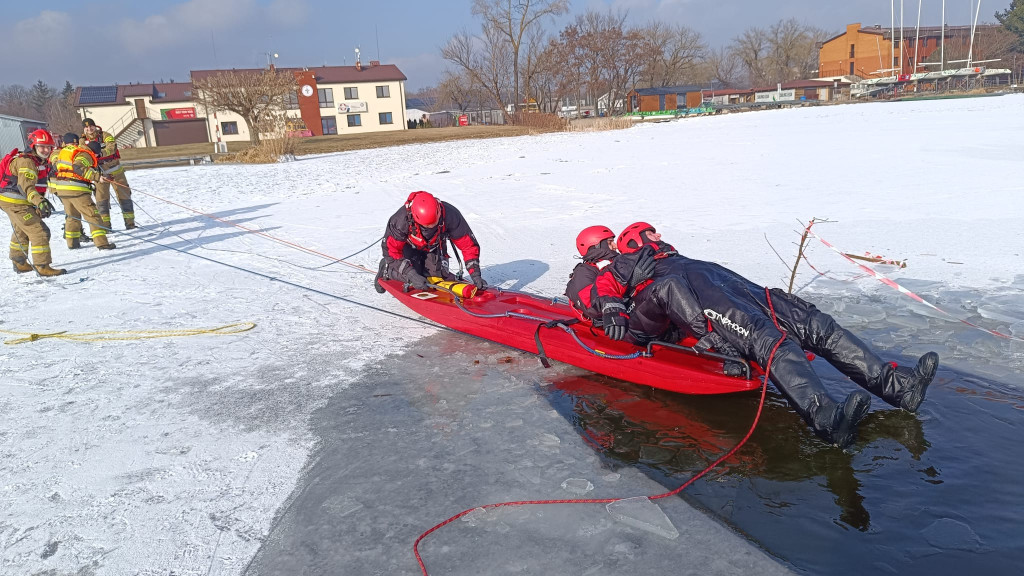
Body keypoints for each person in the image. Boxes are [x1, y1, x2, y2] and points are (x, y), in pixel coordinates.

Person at [592, 222, 939, 449]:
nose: (659, 234)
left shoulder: (678, 256)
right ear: (635, 241)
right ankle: (826, 418)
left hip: (743, 290)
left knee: (818, 326)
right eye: (651, 232)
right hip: (715, 304)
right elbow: (605, 285)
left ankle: (896, 387)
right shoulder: (636, 260)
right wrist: (611, 309)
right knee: (771, 343)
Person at [374, 191, 484, 293]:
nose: (431, 227)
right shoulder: (400, 220)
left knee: (439, 278)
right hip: (408, 247)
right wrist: (411, 274)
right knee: (416, 277)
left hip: (434, 246)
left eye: (434, 223)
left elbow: (468, 245)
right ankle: (387, 269)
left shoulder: (451, 215)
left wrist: (475, 274)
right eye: (427, 226)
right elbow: (391, 251)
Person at [0, 129, 64, 276]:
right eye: (42, 146)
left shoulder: (37, 161)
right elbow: (26, 187)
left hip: (15, 200)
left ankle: (19, 261)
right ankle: (42, 266)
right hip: (15, 202)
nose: (46, 150)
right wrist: (39, 202)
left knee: (22, 229)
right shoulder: (27, 162)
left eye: (49, 147)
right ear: (33, 146)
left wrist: (38, 201)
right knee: (39, 231)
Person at [564, 225, 654, 324]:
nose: (615, 246)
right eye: (610, 242)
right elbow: (593, 308)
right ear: (596, 245)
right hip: (614, 321)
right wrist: (631, 285)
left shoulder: (617, 262)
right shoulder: (585, 272)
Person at [48, 133, 116, 251]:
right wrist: (97, 177)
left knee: (72, 216)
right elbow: (78, 168)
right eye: (97, 155)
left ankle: (72, 242)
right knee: (92, 215)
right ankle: (102, 243)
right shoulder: (85, 154)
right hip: (76, 189)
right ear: (94, 152)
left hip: (61, 188)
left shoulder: (64, 152)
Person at [81, 118, 135, 229]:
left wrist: (100, 153)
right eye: (86, 127)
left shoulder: (105, 135)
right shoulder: (82, 141)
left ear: (95, 126)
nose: (89, 129)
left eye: (91, 126)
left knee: (124, 196)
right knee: (101, 200)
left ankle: (130, 223)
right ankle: (105, 226)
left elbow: (112, 147)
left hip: (116, 171)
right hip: (99, 174)